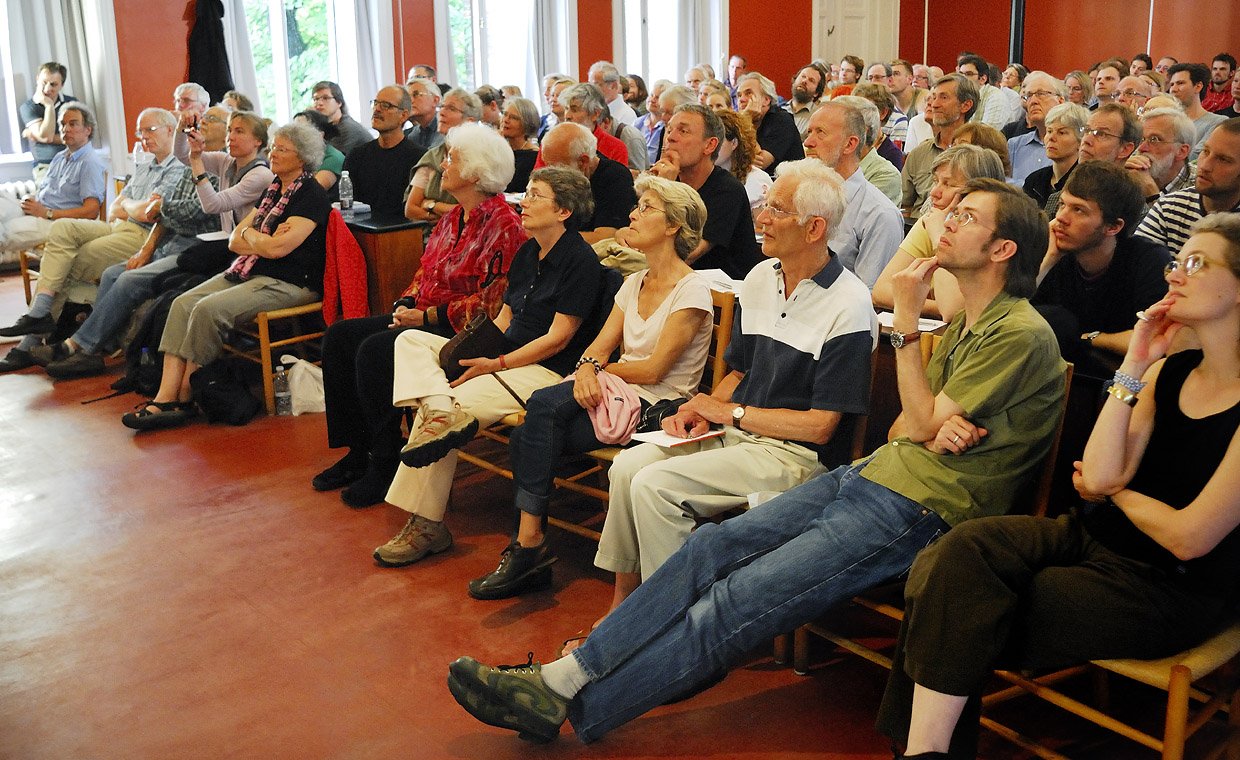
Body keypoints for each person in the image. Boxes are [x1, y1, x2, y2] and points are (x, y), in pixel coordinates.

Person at [447, 179, 1066, 745]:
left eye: (965, 216)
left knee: (736, 600)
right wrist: (931, 423)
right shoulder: (967, 324)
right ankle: (561, 677)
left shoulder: (1019, 331)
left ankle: (572, 703)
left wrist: (907, 332)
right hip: (877, 475)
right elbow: (910, 424)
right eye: (950, 210)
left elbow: (918, 422)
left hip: (921, 508)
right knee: (707, 551)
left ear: (1003, 249)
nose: (945, 220)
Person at [876, 214, 1240, 760]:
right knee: (957, 556)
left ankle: (922, 751)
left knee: (957, 604)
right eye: (1176, 261)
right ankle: (926, 752)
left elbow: (1189, 537)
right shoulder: (1170, 372)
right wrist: (1137, 358)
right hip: (1092, 537)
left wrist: (1115, 492)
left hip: (1171, 586)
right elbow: (1094, 471)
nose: (1174, 275)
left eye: (1196, 263)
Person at [570, 159, 878, 635]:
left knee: (657, 487)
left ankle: (668, 625)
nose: (762, 217)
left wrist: (727, 411)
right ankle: (628, 605)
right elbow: (740, 368)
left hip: (795, 456)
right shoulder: (760, 278)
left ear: (815, 227)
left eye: (777, 209)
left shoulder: (850, 304)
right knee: (629, 465)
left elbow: (820, 428)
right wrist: (700, 408)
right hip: (740, 432)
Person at [467, 175, 715, 600]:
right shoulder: (634, 282)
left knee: (539, 412)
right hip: (615, 396)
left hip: (658, 407)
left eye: (647, 208)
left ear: (673, 225)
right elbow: (597, 348)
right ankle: (529, 548)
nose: (632, 215)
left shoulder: (692, 290)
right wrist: (587, 369)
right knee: (530, 433)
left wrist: (596, 371)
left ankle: (528, 547)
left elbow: (656, 370)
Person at [372, 166, 607, 567]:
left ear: (564, 211)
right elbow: (504, 319)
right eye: (526, 193)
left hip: (545, 370)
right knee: (410, 340)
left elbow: (558, 338)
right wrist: (475, 351)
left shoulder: (580, 260)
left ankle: (427, 525)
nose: (524, 202)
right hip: (505, 356)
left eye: (535, 196)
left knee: (446, 411)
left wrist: (494, 363)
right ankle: (440, 409)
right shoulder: (529, 250)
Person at [314, 123, 527, 507]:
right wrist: (405, 304)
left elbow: (492, 305)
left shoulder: (504, 225)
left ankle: (385, 461)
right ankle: (356, 451)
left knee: (376, 351)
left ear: (477, 174)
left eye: (453, 158)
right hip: (426, 317)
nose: (444, 165)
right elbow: (423, 273)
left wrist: (426, 318)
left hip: (464, 332)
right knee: (341, 336)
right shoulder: (451, 218)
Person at [120, 121, 329, 430]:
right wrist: (261, 240)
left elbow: (278, 250)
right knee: (182, 302)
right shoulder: (274, 190)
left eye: (282, 149)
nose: (273, 153)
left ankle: (184, 396)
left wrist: (256, 238)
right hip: (253, 269)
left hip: (290, 282)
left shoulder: (310, 194)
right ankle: (166, 395)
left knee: (207, 309)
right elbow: (235, 241)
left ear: (302, 158)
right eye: (273, 147)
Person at [33, 111, 274, 379]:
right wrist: (184, 129)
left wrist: (163, 204)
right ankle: (92, 347)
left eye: (238, 130)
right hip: (204, 244)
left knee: (123, 278)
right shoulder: (228, 162)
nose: (230, 135)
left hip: (223, 251)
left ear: (257, 141)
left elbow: (208, 206)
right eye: (229, 128)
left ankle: (78, 346)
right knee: (113, 273)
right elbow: (181, 157)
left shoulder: (258, 174)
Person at [0, 108, 183, 342]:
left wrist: (128, 205)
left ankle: (33, 339)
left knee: (66, 260)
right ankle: (42, 319)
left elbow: (148, 214)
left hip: (142, 236)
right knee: (62, 229)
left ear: (170, 130)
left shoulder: (178, 168)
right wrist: (130, 206)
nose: (144, 136)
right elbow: (117, 207)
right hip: (117, 226)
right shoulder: (146, 167)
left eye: (150, 130)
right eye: (140, 132)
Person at [1033, 160, 1172, 378]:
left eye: (1078, 210)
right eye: (1062, 205)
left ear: (1114, 226)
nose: (1061, 217)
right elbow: (1009, 317)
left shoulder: (1148, 261)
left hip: (1118, 381)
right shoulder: (1054, 250)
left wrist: (1092, 338)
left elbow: (1154, 340)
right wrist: (1049, 259)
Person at [873, 144, 1006, 320]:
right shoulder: (931, 220)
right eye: (936, 181)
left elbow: (951, 311)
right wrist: (933, 304)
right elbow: (881, 290)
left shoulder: (990, 234)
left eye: (948, 184)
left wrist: (938, 237)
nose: (934, 193)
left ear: (978, 191)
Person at [645, 104, 762, 279]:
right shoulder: (664, 178)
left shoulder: (727, 191)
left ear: (709, 145)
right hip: (673, 282)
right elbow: (635, 234)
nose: (670, 138)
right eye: (669, 130)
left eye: (683, 132)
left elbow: (687, 254)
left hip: (721, 294)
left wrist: (666, 190)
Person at [0, 102, 105, 254]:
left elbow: (91, 211)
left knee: (5, 233)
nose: (65, 129)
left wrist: (47, 213)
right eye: (62, 124)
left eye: (73, 124)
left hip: (57, 222)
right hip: (37, 210)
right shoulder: (60, 157)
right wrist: (32, 199)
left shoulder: (90, 163)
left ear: (87, 130)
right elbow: (47, 190)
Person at [341, 85, 425, 217]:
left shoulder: (418, 158)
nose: (377, 109)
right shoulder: (357, 155)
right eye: (376, 103)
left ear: (403, 115)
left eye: (386, 105)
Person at [405, 88, 481, 223]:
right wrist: (446, 217)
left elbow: (475, 211)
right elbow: (410, 209)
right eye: (442, 107)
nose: (442, 113)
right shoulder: (433, 156)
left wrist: (431, 205)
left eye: (451, 109)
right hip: (429, 235)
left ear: (469, 121)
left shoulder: (478, 159)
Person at [1022, 102, 1089, 215]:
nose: (1051, 138)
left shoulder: (1085, 183)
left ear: (1081, 140)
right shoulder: (1034, 180)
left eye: (1062, 132)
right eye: (1049, 131)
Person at [736, 72, 804, 173]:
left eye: (748, 93)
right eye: (739, 95)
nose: (741, 99)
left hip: (788, 183)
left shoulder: (782, 120)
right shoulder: (738, 122)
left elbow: (759, 165)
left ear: (766, 100)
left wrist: (746, 119)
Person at [19, 62, 77, 178]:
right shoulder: (28, 107)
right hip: (45, 166)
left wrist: (36, 135)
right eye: (44, 83)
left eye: (53, 84)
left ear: (62, 85)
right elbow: (47, 136)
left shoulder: (72, 103)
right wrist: (49, 106)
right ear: (37, 79)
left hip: (74, 162)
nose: (47, 89)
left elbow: (79, 137)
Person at [713, 108, 772, 219]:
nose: (711, 146)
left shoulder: (756, 180)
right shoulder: (706, 176)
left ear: (734, 143)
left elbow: (762, 229)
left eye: (719, 140)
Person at [310, 81, 373, 157]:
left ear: (339, 102)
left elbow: (328, 159)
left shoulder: (347, 128)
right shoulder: (329, 127)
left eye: (325, 98)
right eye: (315, 99)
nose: (319, 103)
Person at [292, 110, 344, 194]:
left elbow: (313, 192)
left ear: (320, 135)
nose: (294, 137)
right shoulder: (298, 155)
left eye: (301, 131)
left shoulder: (332, 157)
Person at [500, 97, 540, 192]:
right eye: (505, 114)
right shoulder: (498, 149)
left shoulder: (534, 156)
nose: (506, 120)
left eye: (514, 118)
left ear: (527, 124)